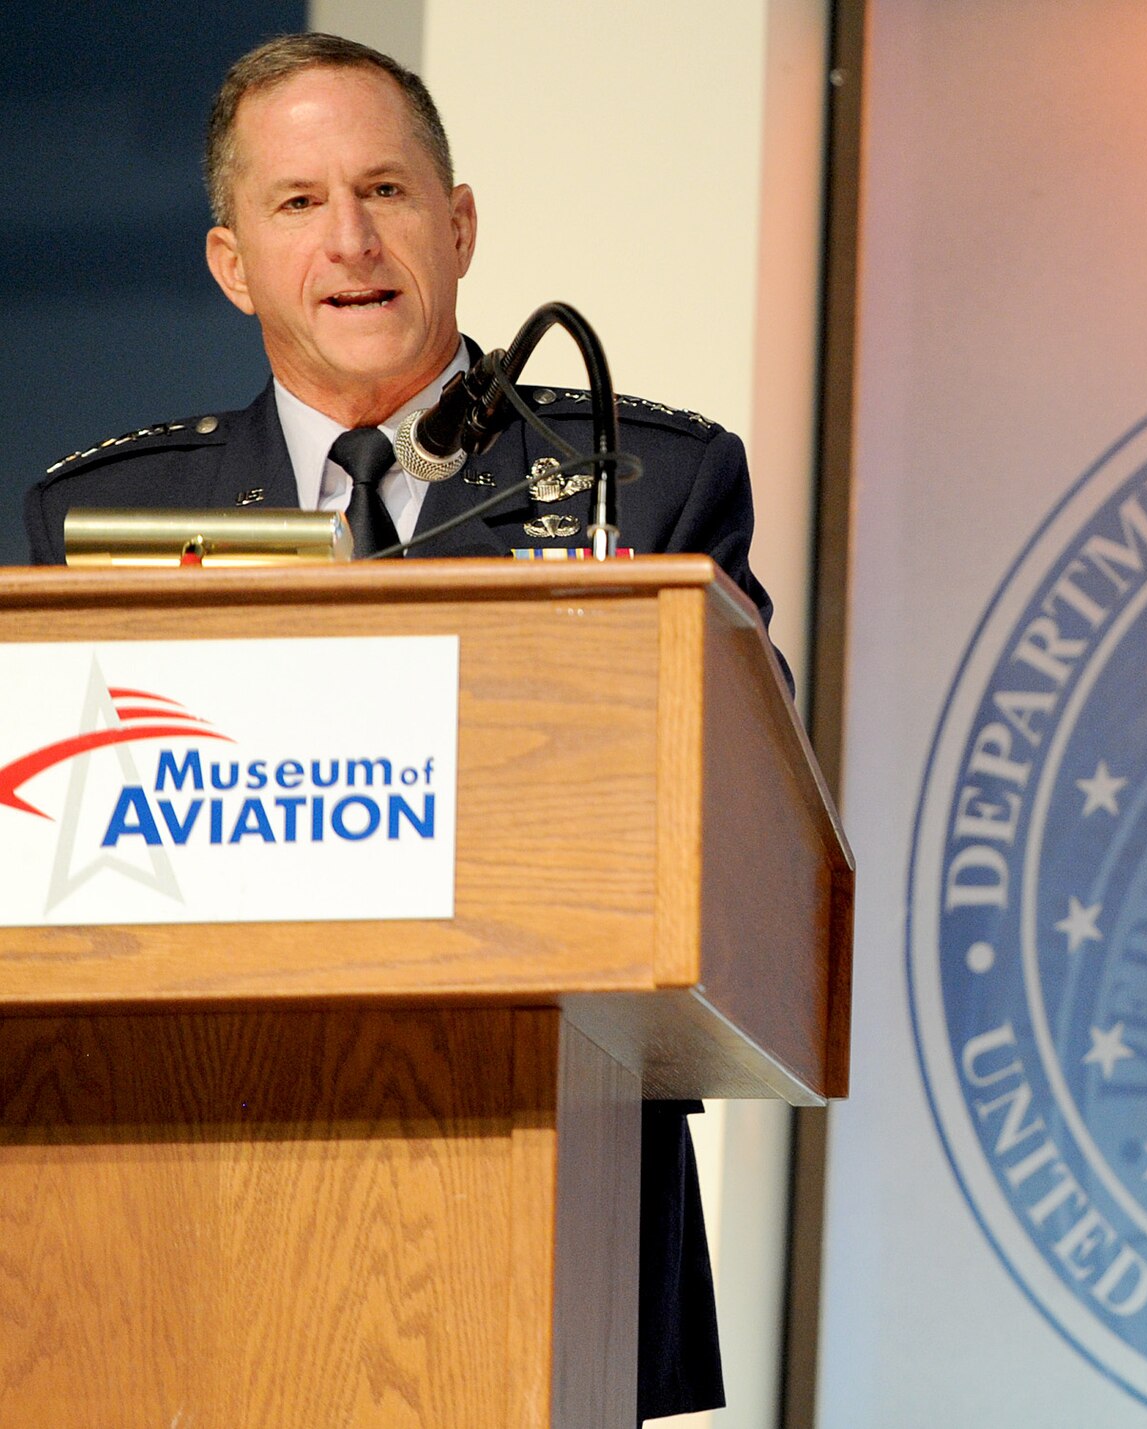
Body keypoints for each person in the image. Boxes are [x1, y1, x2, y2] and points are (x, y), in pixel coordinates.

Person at [21, 33, 762, 1420]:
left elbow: (726, 836)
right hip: (180, 1208)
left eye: (387, 190)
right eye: (298, 202)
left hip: (552, 1199)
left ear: (460, 223)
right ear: (233, 262)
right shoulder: (97, 522)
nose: (351, 239)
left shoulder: (647, 485)